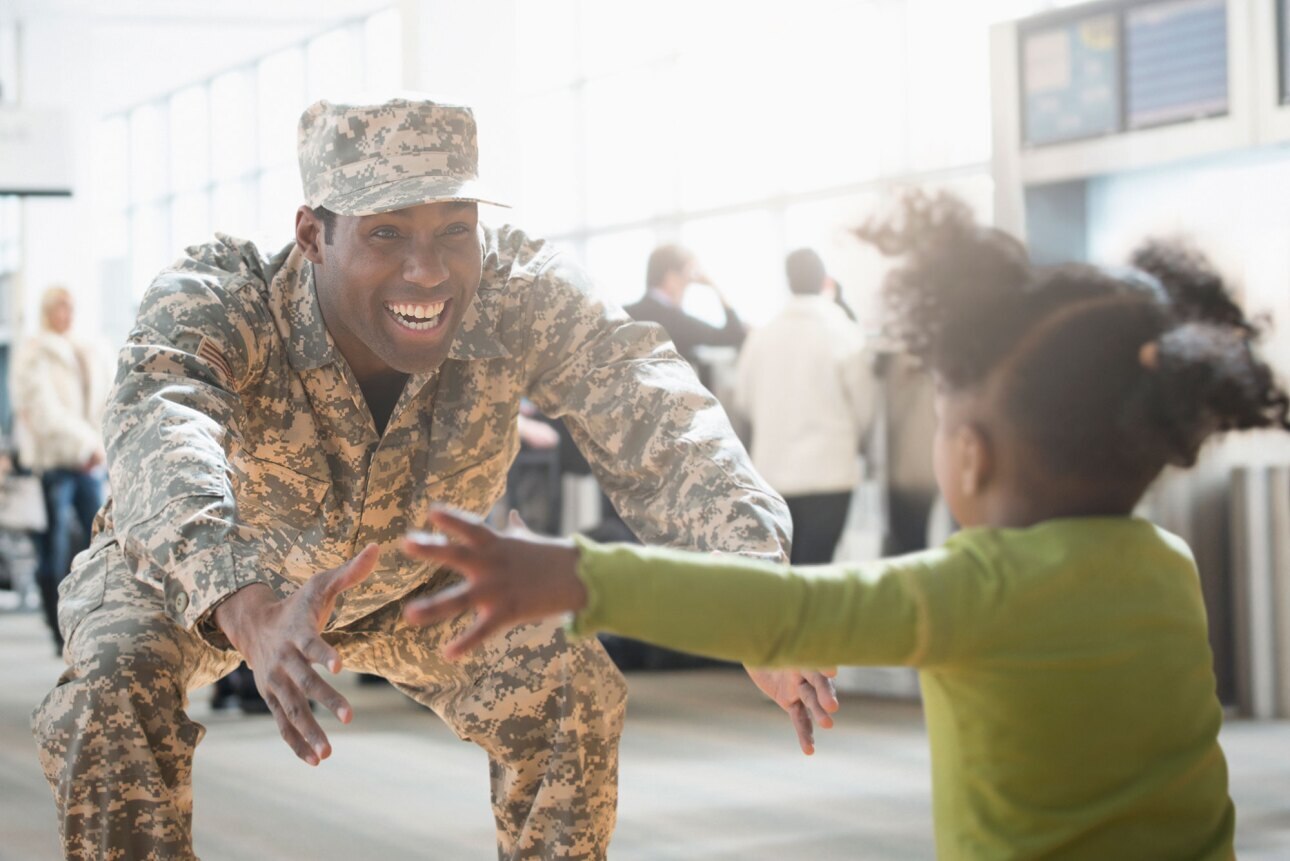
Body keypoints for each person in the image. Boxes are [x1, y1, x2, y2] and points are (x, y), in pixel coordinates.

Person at [30, 94, 835, 861]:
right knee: (110, 687)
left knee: (567, 683)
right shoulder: (219, 299)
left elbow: (650, 403)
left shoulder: (518, 292)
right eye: (386, 233)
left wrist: (754, 590)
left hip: (411, 579)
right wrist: (247, 607)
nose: (428, 271)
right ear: (313, 234)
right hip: (203, 577)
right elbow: (161, 429)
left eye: (455, 229)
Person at [400, 191, 1290, 859]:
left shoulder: (973, 587)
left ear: (971, 456)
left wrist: (570, 574)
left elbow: (789, 612)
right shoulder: (1171, 566)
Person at [734, 248, 875, 563]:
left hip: (772, 475)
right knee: (819, 573)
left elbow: (743, 401)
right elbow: (865, 406)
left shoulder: (761, 336)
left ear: (788, 282)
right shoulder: (843, 330)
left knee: (782, 573)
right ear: (824, 280)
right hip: (831, 475)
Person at [11, 286, 108, 654]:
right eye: (58, 307)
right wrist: (86, 445)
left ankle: (89, 624)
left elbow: (100, 402)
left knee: (97, 547)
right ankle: (59, 629)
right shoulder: (34, 352)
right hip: (57, 463)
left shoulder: (86, 349)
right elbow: (43, 410)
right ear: (47, 310)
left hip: (90, 464)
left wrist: (97, 447)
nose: (65, 314)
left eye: (70, 306)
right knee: (54, 552)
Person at [624, 244, 746, 388]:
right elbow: (734, 335)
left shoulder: (624, 314)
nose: (688, 285)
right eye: (688, 278)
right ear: (671, 278)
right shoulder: (679, 323)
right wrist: (714, 286)